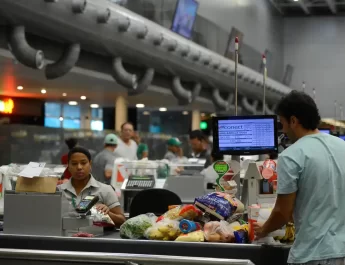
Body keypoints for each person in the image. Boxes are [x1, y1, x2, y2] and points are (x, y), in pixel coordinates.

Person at [254, 91, 345, 265]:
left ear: (294, 121)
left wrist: (264, 230)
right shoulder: (342, 146)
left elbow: (283, 212)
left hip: (313, 253)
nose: (284, 130)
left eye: (283, 123)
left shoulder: (292, 155)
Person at [59, 146, 125, 226]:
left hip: (96, 237)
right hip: (64, 237)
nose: (79, 167)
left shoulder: (106, 190)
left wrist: (107, 213)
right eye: (74, 164)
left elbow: (122, 221)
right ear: (68, 166)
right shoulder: (59, 191)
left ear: (90, 164)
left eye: (83, 163)